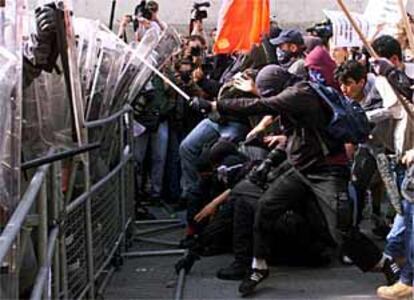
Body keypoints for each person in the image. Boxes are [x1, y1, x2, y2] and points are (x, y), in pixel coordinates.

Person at [191, 65, 398, 297]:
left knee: (341, 231)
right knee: (265, 207)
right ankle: (259, 267)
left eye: (269, 93)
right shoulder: (292, 96)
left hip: (327, 170)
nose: (269, 98)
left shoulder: (300, 95)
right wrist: (270, 163)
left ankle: (386, 264)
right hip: (301, 169)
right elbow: (293, 136)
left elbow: (262, 105)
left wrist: (214, 105)